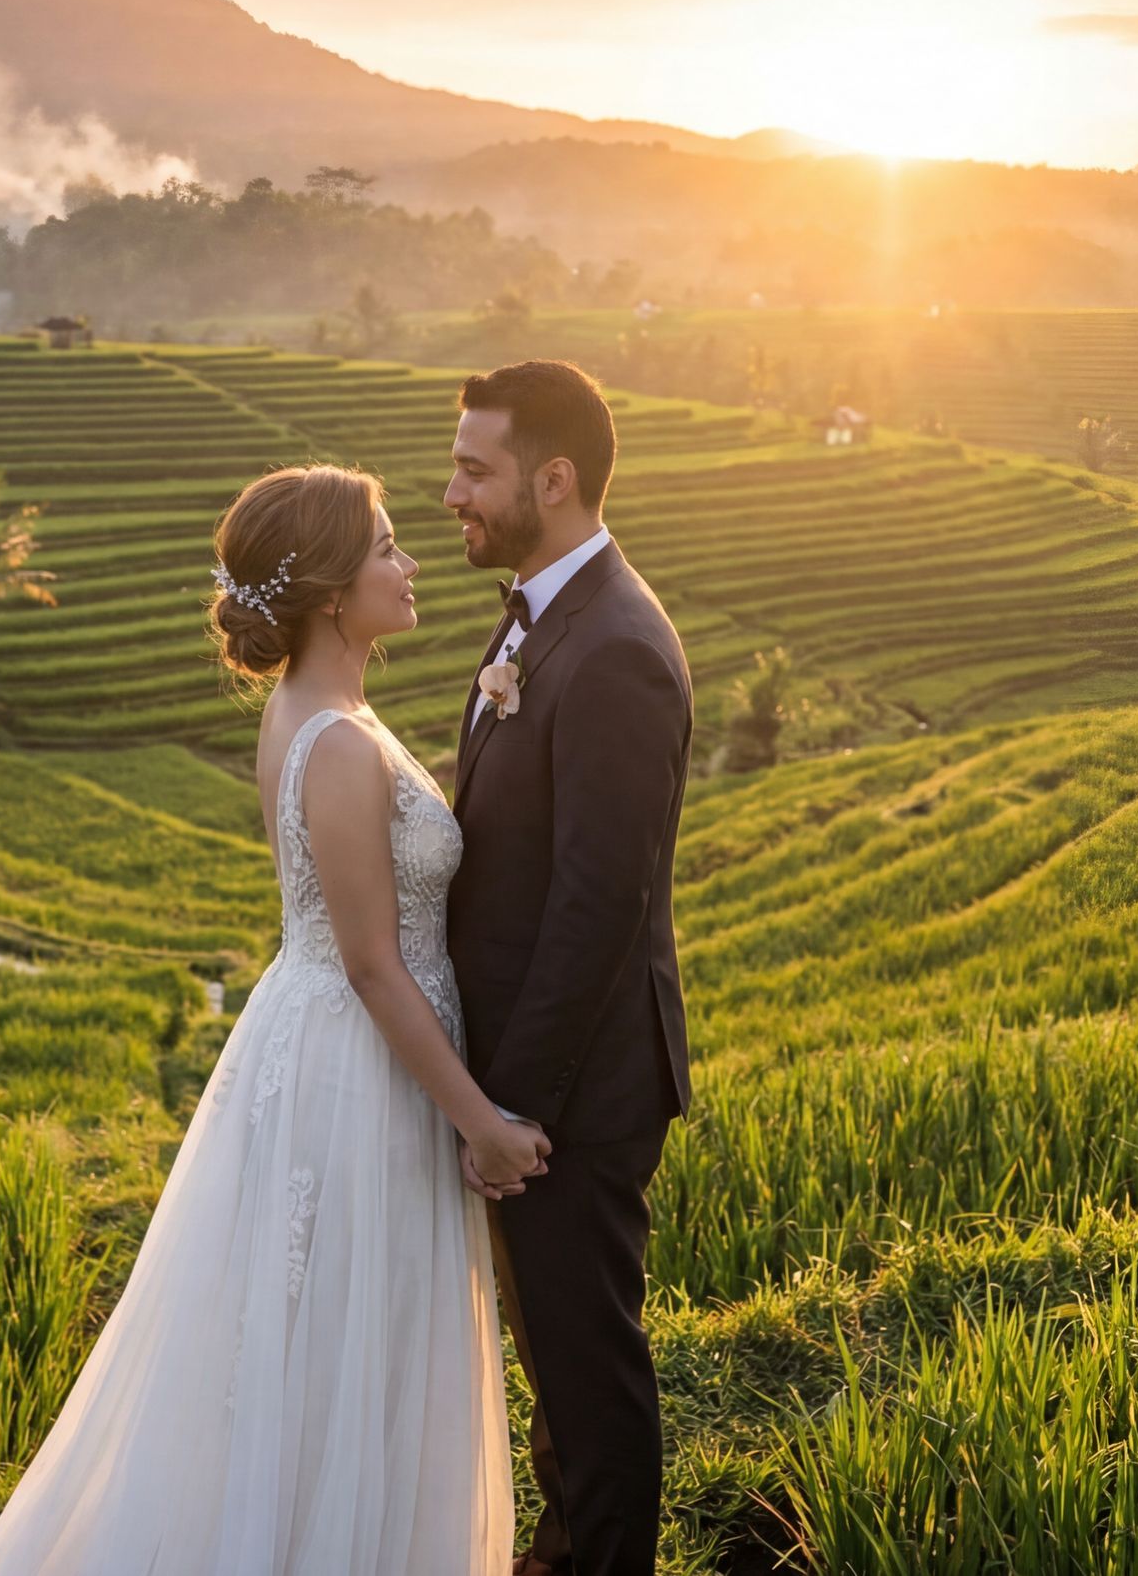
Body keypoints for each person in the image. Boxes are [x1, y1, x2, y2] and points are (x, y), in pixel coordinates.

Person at [0, 463, 542, 1575]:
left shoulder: (313, 714)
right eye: (388, 548)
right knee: (353, 1335)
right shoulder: (342, 742)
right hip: (365, 1061)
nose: (409, 566)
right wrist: (481, 1121)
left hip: (326, 1042)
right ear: (324, 592)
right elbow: (370, 963)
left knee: (320, 1338)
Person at [444, 360, 694, 1576]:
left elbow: (602, 904)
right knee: (558, 1364)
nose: (452, 493)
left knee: (590, 1380)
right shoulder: (539, 609)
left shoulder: (616, 651)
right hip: (531, 1080)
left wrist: (510, 1107)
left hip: (577, 1094)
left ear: (553, 479)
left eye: (473, 468)